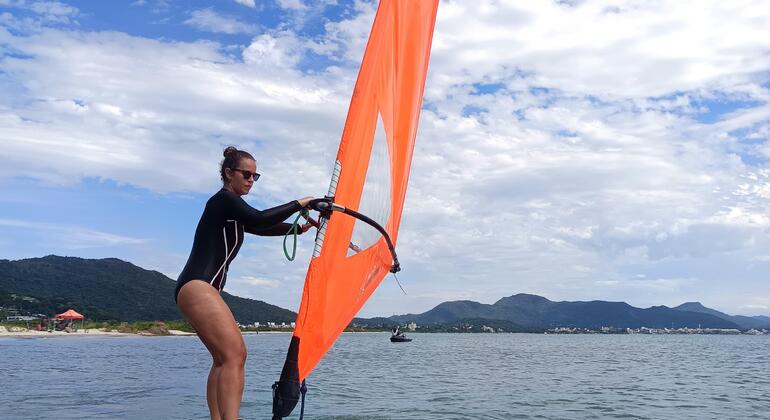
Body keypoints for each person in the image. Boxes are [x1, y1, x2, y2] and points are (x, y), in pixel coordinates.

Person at [175, 146, 314, 420]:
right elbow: (259, 218)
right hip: (198, 286)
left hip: (195, 288)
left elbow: (261, 227)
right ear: (229, 173)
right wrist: (301, 203)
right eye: (246, 174)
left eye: (255, 176)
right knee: (236, 355)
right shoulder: (223, 200)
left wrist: (299, 228)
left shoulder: (229, 210)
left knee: (222, 359)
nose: (251, 180)